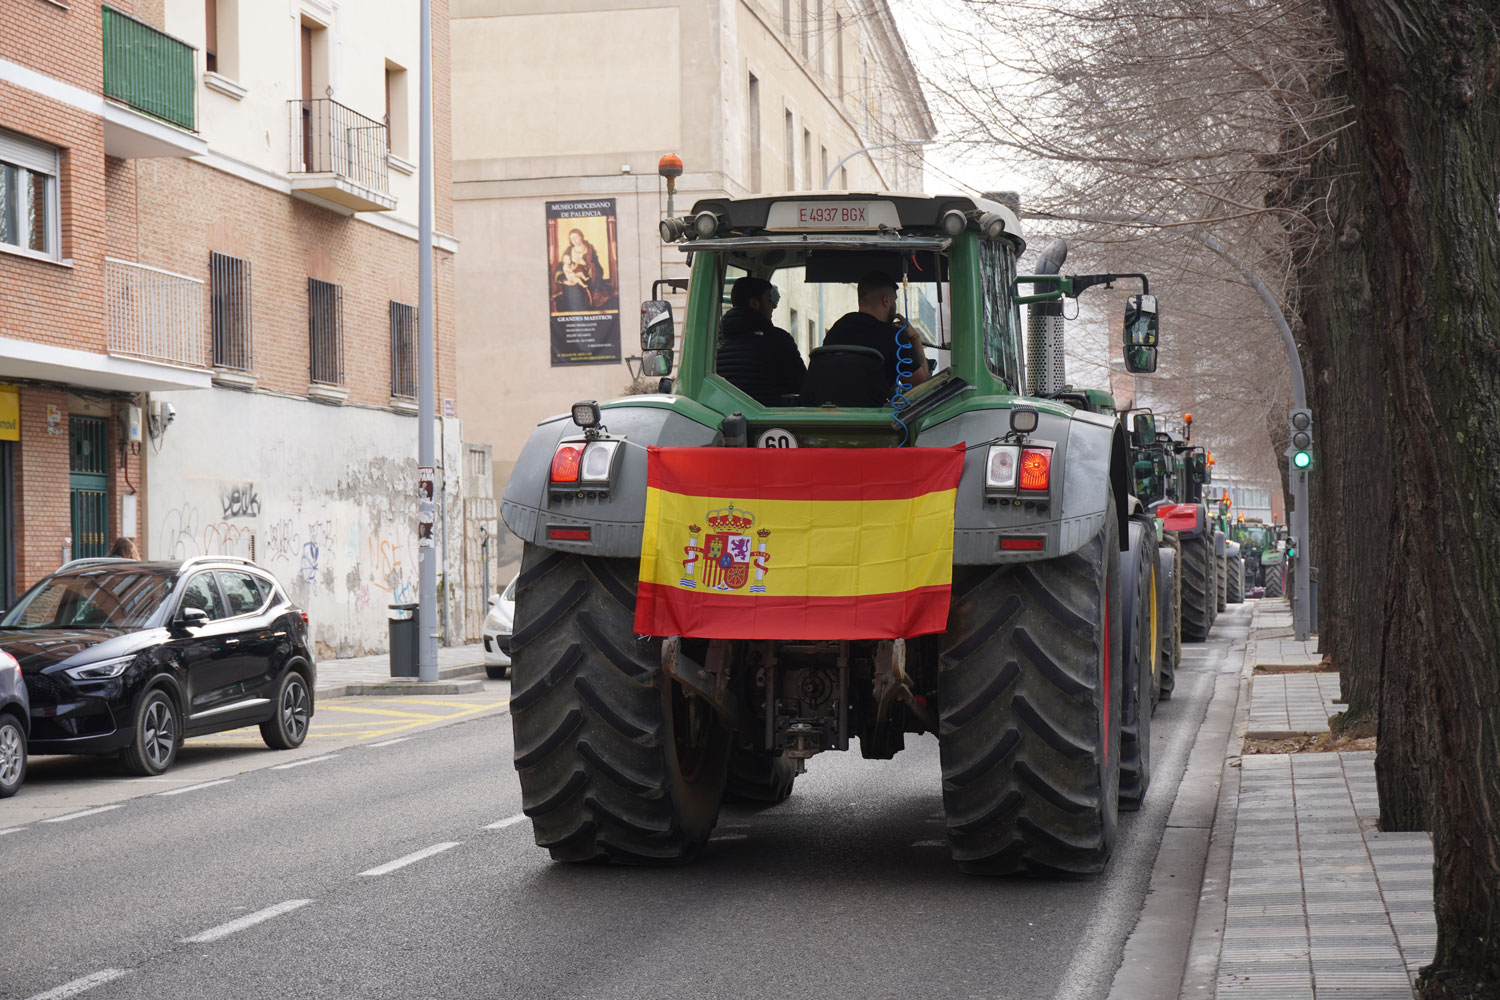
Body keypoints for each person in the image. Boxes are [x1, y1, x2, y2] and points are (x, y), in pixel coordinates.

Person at [822, 271, 931, 395]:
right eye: (894, 300)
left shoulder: (836, 329)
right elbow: (921, 386)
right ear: (886, 300)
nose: (895, 305)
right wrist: (915, 338)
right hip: (875, 407)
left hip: (826, 405)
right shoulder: (894, 337)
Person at [715, 276, 807, 406]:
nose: (774, 305)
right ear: (754, 303)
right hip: (769, 415)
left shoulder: (714, 341)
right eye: (769, 299)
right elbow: (802, 387)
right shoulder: (778, 340)